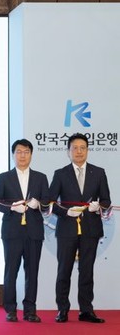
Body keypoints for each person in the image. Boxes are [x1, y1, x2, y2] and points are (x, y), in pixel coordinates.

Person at [49, 133, 111, 324]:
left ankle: (86, 310)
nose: (79, 151)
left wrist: (98, 206)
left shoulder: (98, 172)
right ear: (68, 151)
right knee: (64, 271)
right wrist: (66, 212)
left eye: (82, 148)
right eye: (74, 148)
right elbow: (50, 202)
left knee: (87, 271)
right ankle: (62, 309)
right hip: (67, 229)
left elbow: (106, 200)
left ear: (88, 150)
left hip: (90, 229)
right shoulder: (60, 173)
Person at [0, 139, 48, 323]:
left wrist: (39, 204)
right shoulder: (4, 177)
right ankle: (10, 309)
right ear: (13, 154)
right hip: (12, 232)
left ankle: (30, 310)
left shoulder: (40, 177)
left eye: (26, 152)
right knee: (11, 271)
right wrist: (12, 207)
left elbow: (47, 203)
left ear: (31, 154)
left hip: (34, 231)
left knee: (32, 272)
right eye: (19, 152)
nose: (22, 155)